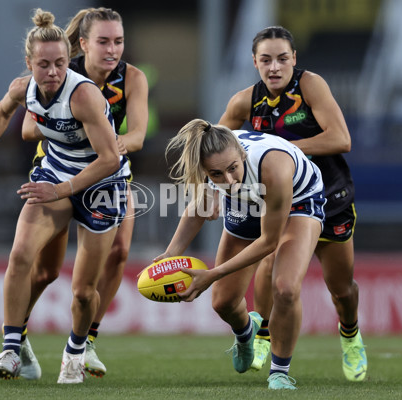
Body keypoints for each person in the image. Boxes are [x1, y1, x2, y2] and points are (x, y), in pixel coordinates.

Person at [0, 8, 130, 384]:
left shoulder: (83, 96)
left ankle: (74, 352)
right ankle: (11, 348)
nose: (52, 72)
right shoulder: (23, 88)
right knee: (21, 255)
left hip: (101, 185)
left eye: (59, 63)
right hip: (55, 175)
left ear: (69, 61)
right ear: (29, 63)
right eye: (43, 64)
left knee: (84, 292)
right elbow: (1, 112)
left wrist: (64, 189)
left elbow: (109, 158)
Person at [218, 26, 367, 381]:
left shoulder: (310, 85)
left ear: (294, 60)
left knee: (341, 288)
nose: (274, 67)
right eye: (266, 60)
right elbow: (211, 143)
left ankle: (350, 333)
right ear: (254, 61)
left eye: (282, 59)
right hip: (285, 201)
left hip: (330, 198)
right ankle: (266, 336)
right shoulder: (243, 102)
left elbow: (341, 138)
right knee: (273, 268)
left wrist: (283, 153)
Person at [16, 7, 148, 380]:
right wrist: (78, 129)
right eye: (103, 41)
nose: (112, 50)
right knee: (45, 273)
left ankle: (85, 340)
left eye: (118, 41)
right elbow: (28, 128)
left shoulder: (133, 78)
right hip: (58, 175)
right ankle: (18, 336)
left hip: (108, 173)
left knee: (120, 251)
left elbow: (137, 134)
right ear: (84, 44)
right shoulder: (59, 71)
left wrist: (107, 144)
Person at [155, 119, 325, 390]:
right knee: (222, 303)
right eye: (217, 175)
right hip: (247, 200)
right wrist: (169, 254)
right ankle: (246, 332)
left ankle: (279, 373)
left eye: (233, 168)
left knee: (285, 288)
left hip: (299, 201)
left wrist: (211, 274)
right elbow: (198, 209)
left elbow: (269, 242)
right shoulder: (212, 160)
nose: (229, 180)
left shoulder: (274, 167)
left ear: (242, 155)